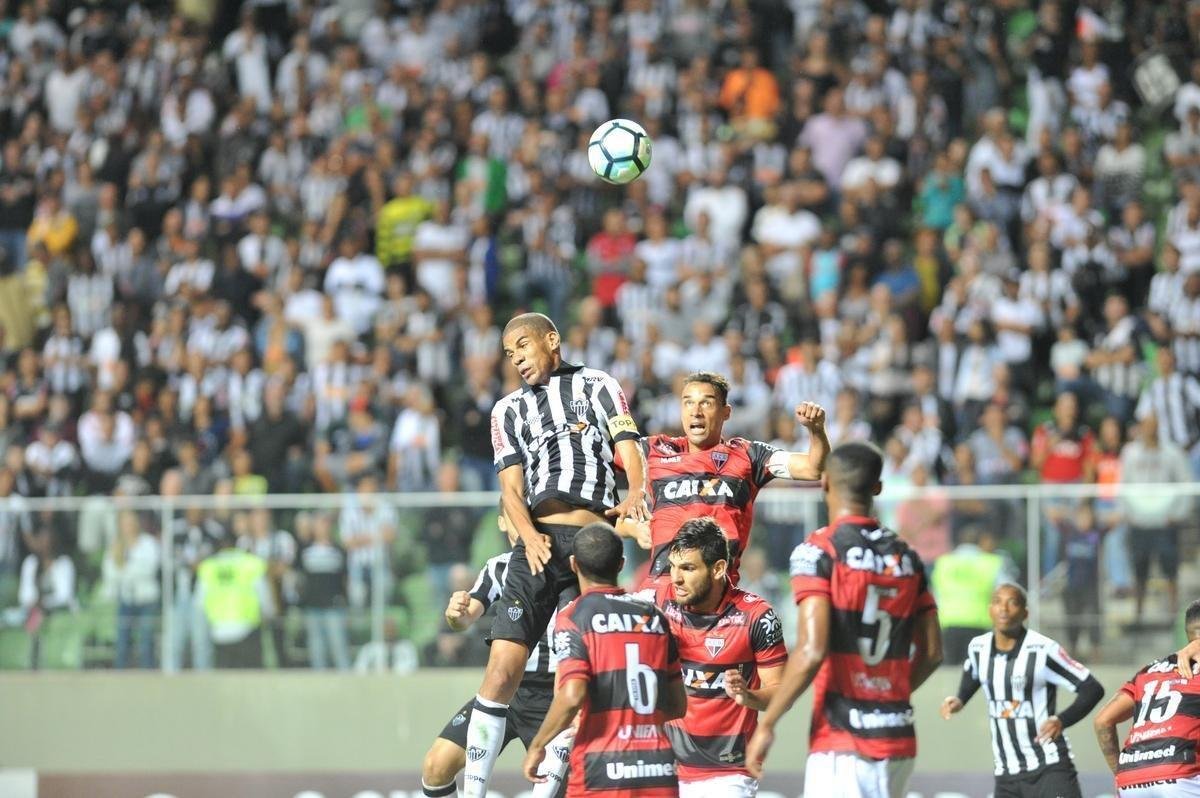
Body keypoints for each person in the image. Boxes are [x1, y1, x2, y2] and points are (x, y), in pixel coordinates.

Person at [463, 313, 649, 798]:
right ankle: (474, 791)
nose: (517, 359)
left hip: (592, 542)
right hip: (540, 541)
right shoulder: (507, 410)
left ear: (552, 340)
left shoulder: (599, 384)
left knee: (581, 670)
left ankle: (549, 788)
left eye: (522, 346)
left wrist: (635, 490)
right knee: (501, 668)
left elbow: (629, 444)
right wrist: (527, 535)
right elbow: (510, 489)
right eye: (509, 354)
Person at [745, 441, 944, 797]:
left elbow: (811, 649)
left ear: (823, 484)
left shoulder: (820, 550)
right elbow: (932, 654)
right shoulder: (907, 557)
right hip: (897, 738)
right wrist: (889, 698)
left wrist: (769, 723)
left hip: (843, 741)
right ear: (878, 488)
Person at [521, 523, 686, 797]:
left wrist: (539, 744)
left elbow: (572, 693)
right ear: (621, 564)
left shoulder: (575, 617)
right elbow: (678, 705)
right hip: (658, 768)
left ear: (574, 565)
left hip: (602, 767)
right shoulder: (655, 617)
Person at [621, 371, 828, 587]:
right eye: (688, 403)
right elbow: (592, 476)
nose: (696, 412)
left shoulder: (749, 455)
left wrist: (817, 431)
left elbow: (814, 469)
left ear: (725, 412)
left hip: (720, 598)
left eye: (706, 403)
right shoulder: (653, 450)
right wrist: (632, 528)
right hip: (665, 596)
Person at [421, 508, 567, 798]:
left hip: (554, 696)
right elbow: (465, 618)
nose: (525, 526)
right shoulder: (499, 568)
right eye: (517, 517)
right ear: (503, 522)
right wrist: (455, 613)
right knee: (436, 767)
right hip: (504, 695)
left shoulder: (568, 567)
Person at [652, 517, 787, 797]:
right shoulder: (658, 601)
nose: (676, 578)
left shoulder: (757, 616)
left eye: (688, 568)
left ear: (718, 568)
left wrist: (748, 696)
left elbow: (780, 694)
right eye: (674, 567)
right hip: (665, 766)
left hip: (729, 774)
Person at [940, 583, 1104, 798]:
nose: (1004, 609)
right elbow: (973, 673)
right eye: (998, 602)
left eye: (1013, 602)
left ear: (1025, 613)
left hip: (1049, 767)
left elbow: (1092, 688)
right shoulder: (978, 648)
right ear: (990, 609)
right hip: (1006, 773)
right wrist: (960, 699)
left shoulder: (1043, 649)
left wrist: (1061, 720)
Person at [1096, 600, 1200, 797]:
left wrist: (1119, 774)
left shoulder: (1147, 672)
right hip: (1181, 777)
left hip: (1132, 778)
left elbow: (1103, 720)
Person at [194, 533, 274, 669]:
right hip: (247, 630)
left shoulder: (208, 567)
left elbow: (199, 602)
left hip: (218, 632)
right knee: (250, 679)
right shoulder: (250, 563)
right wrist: (269, 614)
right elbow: (264, 596)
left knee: (226, 679)